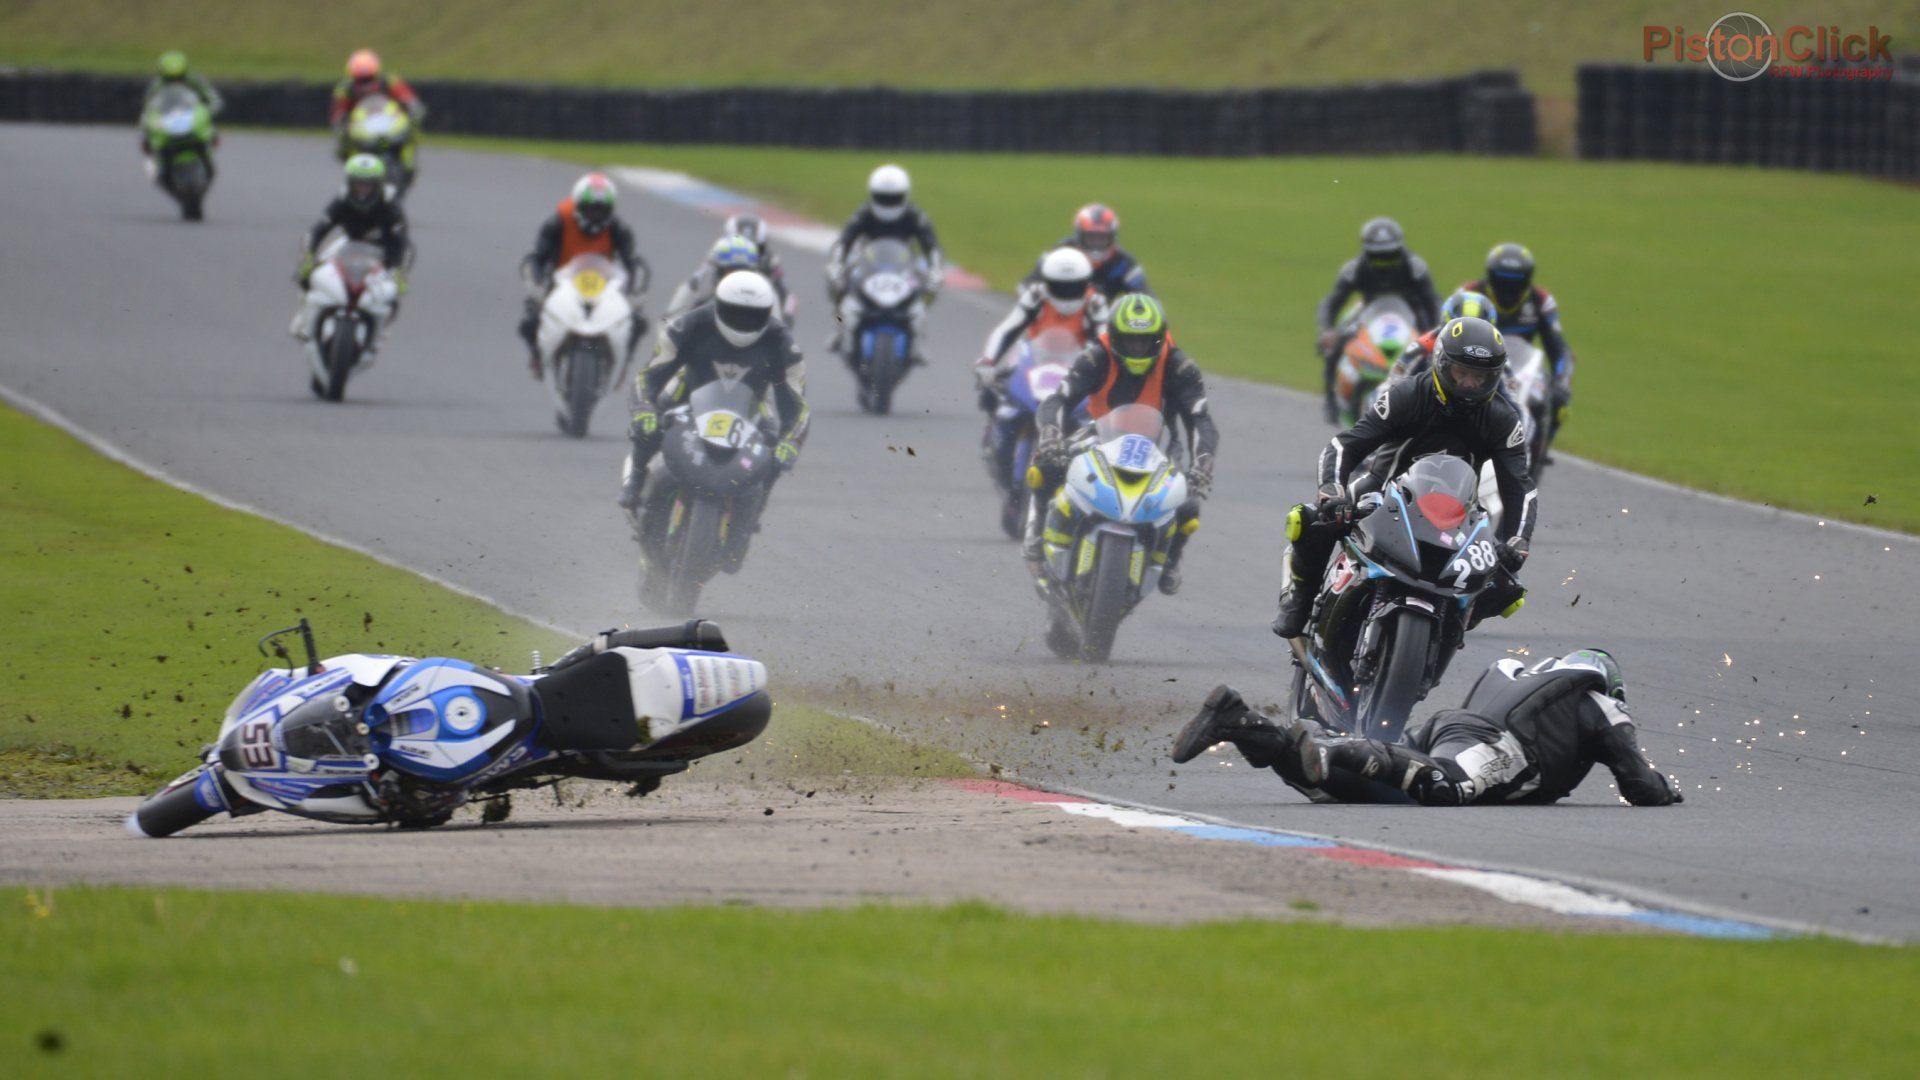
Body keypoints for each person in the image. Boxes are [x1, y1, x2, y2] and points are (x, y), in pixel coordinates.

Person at [1272, 316, 1535, 639]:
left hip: (1456, 512)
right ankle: (1301, 598)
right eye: (1461, 373)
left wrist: (1517, 541)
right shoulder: (1407, 395)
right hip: (1381, 490)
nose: (1469, 384)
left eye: (1480, 377)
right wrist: (1332, 491)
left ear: (1494, 377)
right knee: (1310, 520)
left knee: (1508, 588)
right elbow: (1346, 445)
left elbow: (1519, 486)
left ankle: (1450, 631)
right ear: (1441, 364)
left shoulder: (1503, 421)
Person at [1171, 649, 1684, 808]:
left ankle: (1242, 721)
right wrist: (1668, 792)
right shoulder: (1598, 699)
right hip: (1499, 745)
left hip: (1450, 726)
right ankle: (1334, 750)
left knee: (1346, 793)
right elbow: (1638, 784)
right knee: (1447, 786)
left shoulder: (1525, 673)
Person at [1027, 293, 1218, 596]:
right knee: (1047, 465)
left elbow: (1201, 421)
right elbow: (1058, 400)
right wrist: (1051, 434)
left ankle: (1170, 560)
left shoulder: (1180, 367)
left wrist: (1203, 461)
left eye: (1145, 341)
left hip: (1160, 443)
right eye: (1129, 341)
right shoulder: (1095, 356)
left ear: (1159, 338)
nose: (1137, 348)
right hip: (1098, 435)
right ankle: (1037, 536)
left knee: (1188, 502)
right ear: (1114, 337)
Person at [618, 272, 809, 557]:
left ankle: (750, 516)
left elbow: (797, 406)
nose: (743, 322)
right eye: (736, 313)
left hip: (753, 404)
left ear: (767, 314)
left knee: (774, 448)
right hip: (689, 391)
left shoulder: (783, 344)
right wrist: (644, 408)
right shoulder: (689, 325)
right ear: (718, 305)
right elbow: (648, 376)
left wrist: (789, 442)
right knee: (651, 419)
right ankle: (635, 480)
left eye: (752, 315)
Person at [517, 172, 652, 377]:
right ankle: (537, 355)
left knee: (639, 321)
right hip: (561, 284)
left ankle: (624, 362)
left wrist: (636, 293)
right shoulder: (557, 222)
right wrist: (535, 286)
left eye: (601, 210)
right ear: (578, 205)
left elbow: (634, 263)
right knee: (529, 319)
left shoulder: (618, 228)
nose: (595, 215)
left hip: (604, 286)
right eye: (590, 209)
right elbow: (536, 258)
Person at [1315, 217, 1442, 423]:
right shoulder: (1353, 269)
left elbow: (1433, 301)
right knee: (1336, 342)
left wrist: (1437, 329)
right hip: (1368, 310)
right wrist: (1326, 330)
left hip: (1410, 310)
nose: (1384, 264)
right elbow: (1331, 302)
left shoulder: (1415, 266)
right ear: (1366, 252)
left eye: (1389, 257)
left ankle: (1434, 397)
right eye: (1378, 258)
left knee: (1433, 348)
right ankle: (1331, 399)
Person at [1460, 243, 1575, 457]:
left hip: (1522, 368)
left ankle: (1537, 453)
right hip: (1472, 365)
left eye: (1514, 283)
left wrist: (1562, 381)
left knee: (1557, 401)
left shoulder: (1541, 301)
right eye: (1501, 282)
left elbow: (1559, 349)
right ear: (1490, 277)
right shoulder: (1470, 293)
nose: (1507, 290)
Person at [824, 164, 944, 362]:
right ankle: (839, 326)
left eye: (893, 198)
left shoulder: (915, 216)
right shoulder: (863, 214)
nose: (888, 204)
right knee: (837, 286)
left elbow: (931, 246)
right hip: (867, 264)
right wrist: (835, 265)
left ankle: (917, 337)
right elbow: (844, 242)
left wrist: (936, 270)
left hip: (904, 266)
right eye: (883, 198)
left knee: (930, 287)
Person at [290, 154, 412, 339]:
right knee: (307, 274)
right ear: (350, 182)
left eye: (368, 185)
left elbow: (401, 241)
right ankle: (304, 316)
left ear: (378, 184)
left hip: (384, 249)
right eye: (358, 184)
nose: (363, 190)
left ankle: (382, 325)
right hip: (349, 243)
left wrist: (398, 271)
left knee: (393, 289)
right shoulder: (342, 199)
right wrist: (308, 256)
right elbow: (318, 230)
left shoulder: (390, 205)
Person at [974, 246, 1108, 412]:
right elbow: (1007, 329)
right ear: (1047, 282)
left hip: (1075, 366)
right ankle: (994, 432)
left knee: (1090, 416)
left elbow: (1105, 342)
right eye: (1060, 286)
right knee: (995, 395)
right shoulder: (1036, 296)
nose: (1066, 293)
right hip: (1032, 361)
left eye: (1074, 286)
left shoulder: (1094, 303)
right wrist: (988, 361)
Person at [1022, 203, 1149, 301]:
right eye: (1091, 238)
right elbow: (1025, 286)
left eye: (1102, 239)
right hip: (1055, 320)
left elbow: (1147, 299)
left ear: (1112, 238)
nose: (1096, 244)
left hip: (1100, 323)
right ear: (1079, 237)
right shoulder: (1059, 253)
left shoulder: (1124, 263)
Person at [329, 49, 425, 162]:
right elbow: (339, 110)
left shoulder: (389, 81)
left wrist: (411, 107)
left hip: (389, 120)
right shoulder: (345, 89)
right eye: (361, 80)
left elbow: (407, 97)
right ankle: (352, 161)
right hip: (361, 124)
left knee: (411, 129)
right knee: (343, 137)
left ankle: (407, 161)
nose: (365, 85)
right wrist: (341, 122)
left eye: (368, 79)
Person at [1391, 289, 1498, 382]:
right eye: (1460, 334)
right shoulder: (1425, 344)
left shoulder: (1496, 353)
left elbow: (1511, 391)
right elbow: (1395, 379)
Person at [665, 236, 769, 323]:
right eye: (730, 271)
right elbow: (669, 324)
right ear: (717, 271)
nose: (736, 279)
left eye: (743, 273)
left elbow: (778, 336)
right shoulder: (696, 287)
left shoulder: (765, 292)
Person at [720, 213, 796, 324]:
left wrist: (785, 318)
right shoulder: (720, 256)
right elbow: (697, 281)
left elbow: (786, 295)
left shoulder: (770, 261)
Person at [144, 51, 223, 114]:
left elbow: (214, 101)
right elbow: (149, 105)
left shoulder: (196, 80)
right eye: (171, 79)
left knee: (209, 132)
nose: (175, 82)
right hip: (165, 116)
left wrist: (206, 113)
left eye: (179, 78)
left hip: (191, 115)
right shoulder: (157, 84)